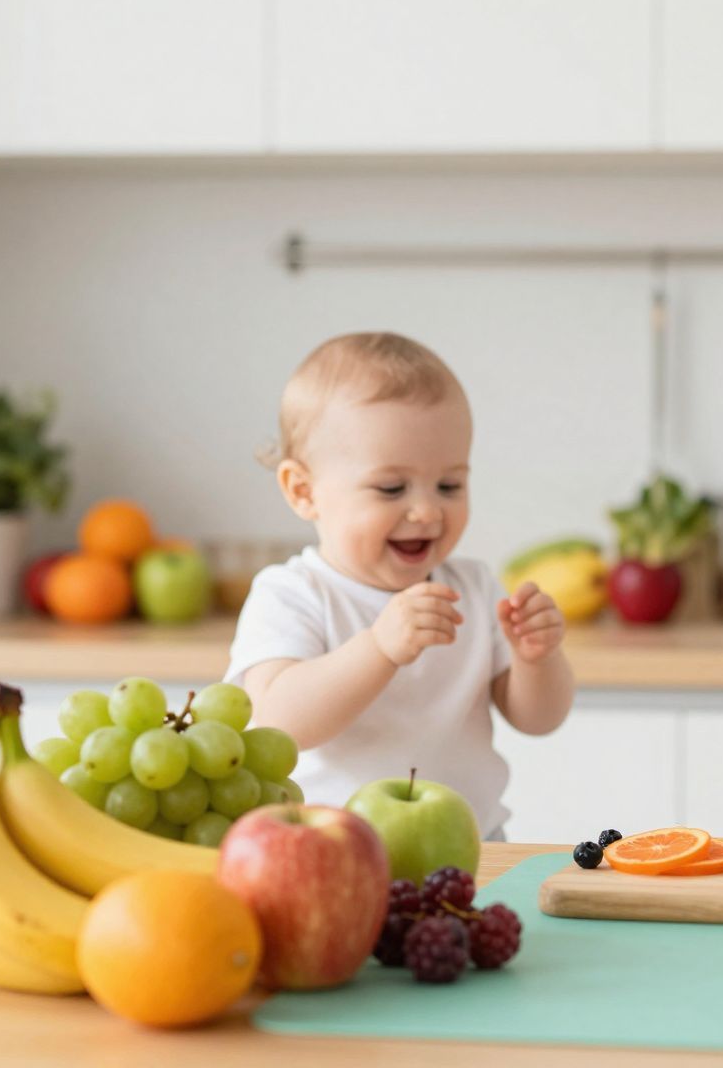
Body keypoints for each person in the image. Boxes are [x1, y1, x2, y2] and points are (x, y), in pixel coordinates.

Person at [226, 332, 576, 841]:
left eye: (449, 485)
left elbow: (538, 719)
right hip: (326, 851)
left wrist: (538, 659)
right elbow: (279, 723)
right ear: (303, 491)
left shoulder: (475, 588)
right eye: (391, 488)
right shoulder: (292, 594)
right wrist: (379, 647)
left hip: (468, 846)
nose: (428, 510)